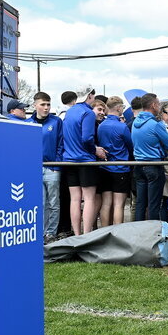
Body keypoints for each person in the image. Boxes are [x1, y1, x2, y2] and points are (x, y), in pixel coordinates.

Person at [62, 82, 106, 236]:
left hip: (69, 160)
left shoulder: (70, 112)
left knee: (74, 199)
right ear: (89, 95)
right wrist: (96, 149)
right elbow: (87, 138)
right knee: (89, 199)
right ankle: (86, 235)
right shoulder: (87, 113)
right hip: (85, 160)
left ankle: (76, 235)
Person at [27, 92, 63, 243]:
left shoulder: (56, 122)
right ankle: (40, 233)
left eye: (48, 104)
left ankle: (51, 234)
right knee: (39, 203)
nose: (46, 107)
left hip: (51, 168)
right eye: (43, 104)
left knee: (53, 202)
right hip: (34, 168)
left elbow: (61, 143)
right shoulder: (27, 123)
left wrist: (56, 164)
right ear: (35, 105)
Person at [133, 93, 168, 222]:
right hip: (154, 165)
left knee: (140, 203)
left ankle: (139, 233)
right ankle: (154, 235)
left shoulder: (135, 122)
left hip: (138, 165)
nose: (159, 107)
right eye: (158, 104)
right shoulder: (155, 124)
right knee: (154, 204)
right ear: (153, 105)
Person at [96, 96, 134, 227]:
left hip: (104, 167)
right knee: (119, 205)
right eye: (122, 106)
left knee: (106, 203)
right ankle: (118, 234)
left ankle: (104, 231)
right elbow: (130, 146)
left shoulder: (101, 126)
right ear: (118, 108)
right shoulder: (122, 127)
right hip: (120, 168)